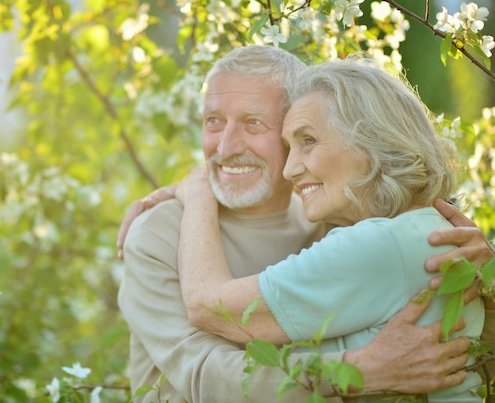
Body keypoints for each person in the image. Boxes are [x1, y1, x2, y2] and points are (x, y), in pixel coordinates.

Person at [117, 45, 495, 403]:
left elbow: (466, 356)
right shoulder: (158, 234)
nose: (226, 146)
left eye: (253, 123)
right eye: (213, 121)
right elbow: (203, 375)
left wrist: (490, 287)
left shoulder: (334, 225)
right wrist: (356, 372)